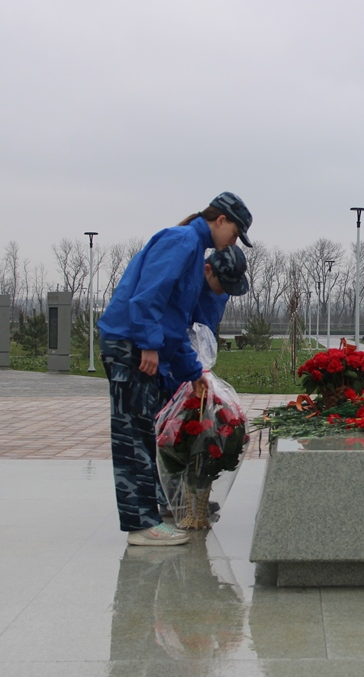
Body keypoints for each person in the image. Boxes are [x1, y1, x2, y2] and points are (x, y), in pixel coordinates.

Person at [98, 192, 252, 547]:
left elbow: (177, 323)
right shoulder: (182, 241)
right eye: (235, 232)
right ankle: (141, 525)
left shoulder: (193, 248)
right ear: (220, 221)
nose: (232, 241)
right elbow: (149, 295)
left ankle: (147, 517)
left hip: (138, 343)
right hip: (129, 345)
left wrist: (193, 371)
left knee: (142, 431)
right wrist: (149, 343)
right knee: (132, 434)